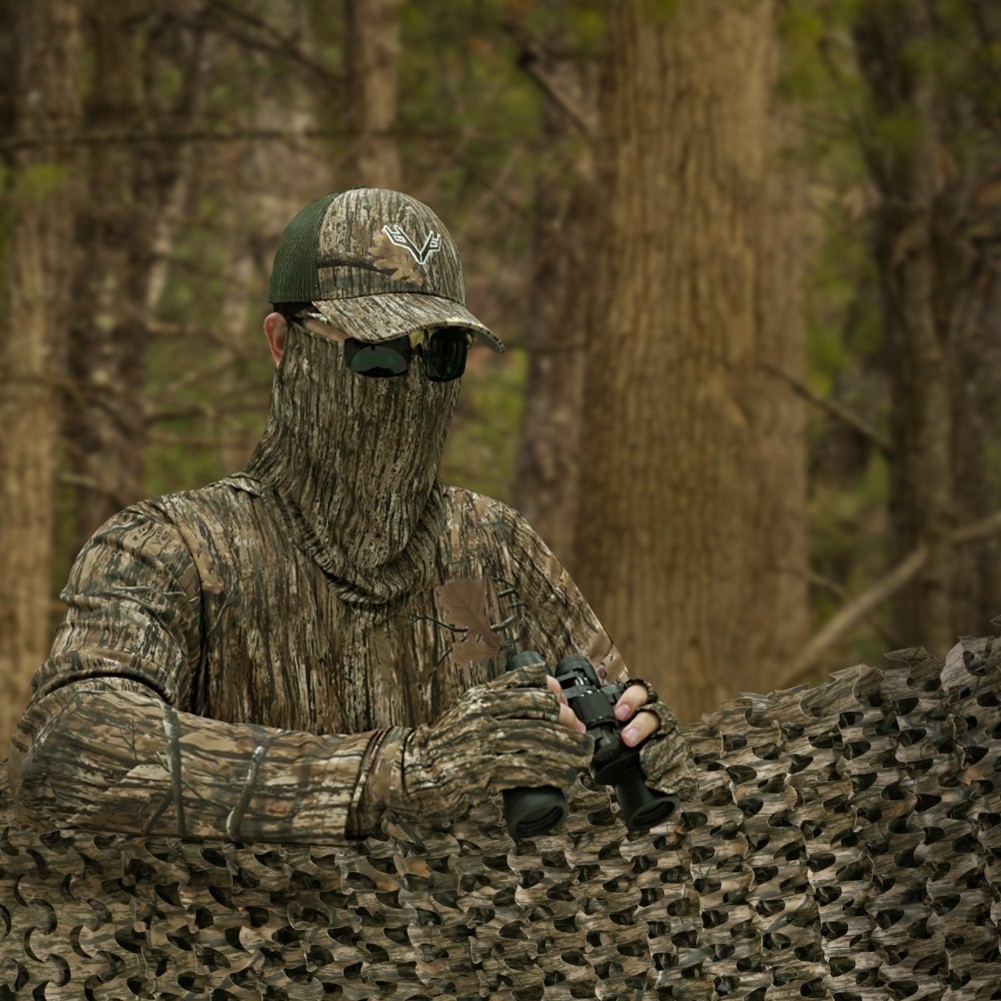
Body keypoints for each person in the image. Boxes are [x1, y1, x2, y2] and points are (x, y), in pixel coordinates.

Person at [9, 186, 692, 851]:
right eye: (376, 352)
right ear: (282, 342)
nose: (411, 386)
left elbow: (634, 785)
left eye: (439, 354)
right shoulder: (170, 549)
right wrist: (404, 773)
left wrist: (630, 737)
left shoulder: (489, 545)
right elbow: (72, 744)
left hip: (482, 953)